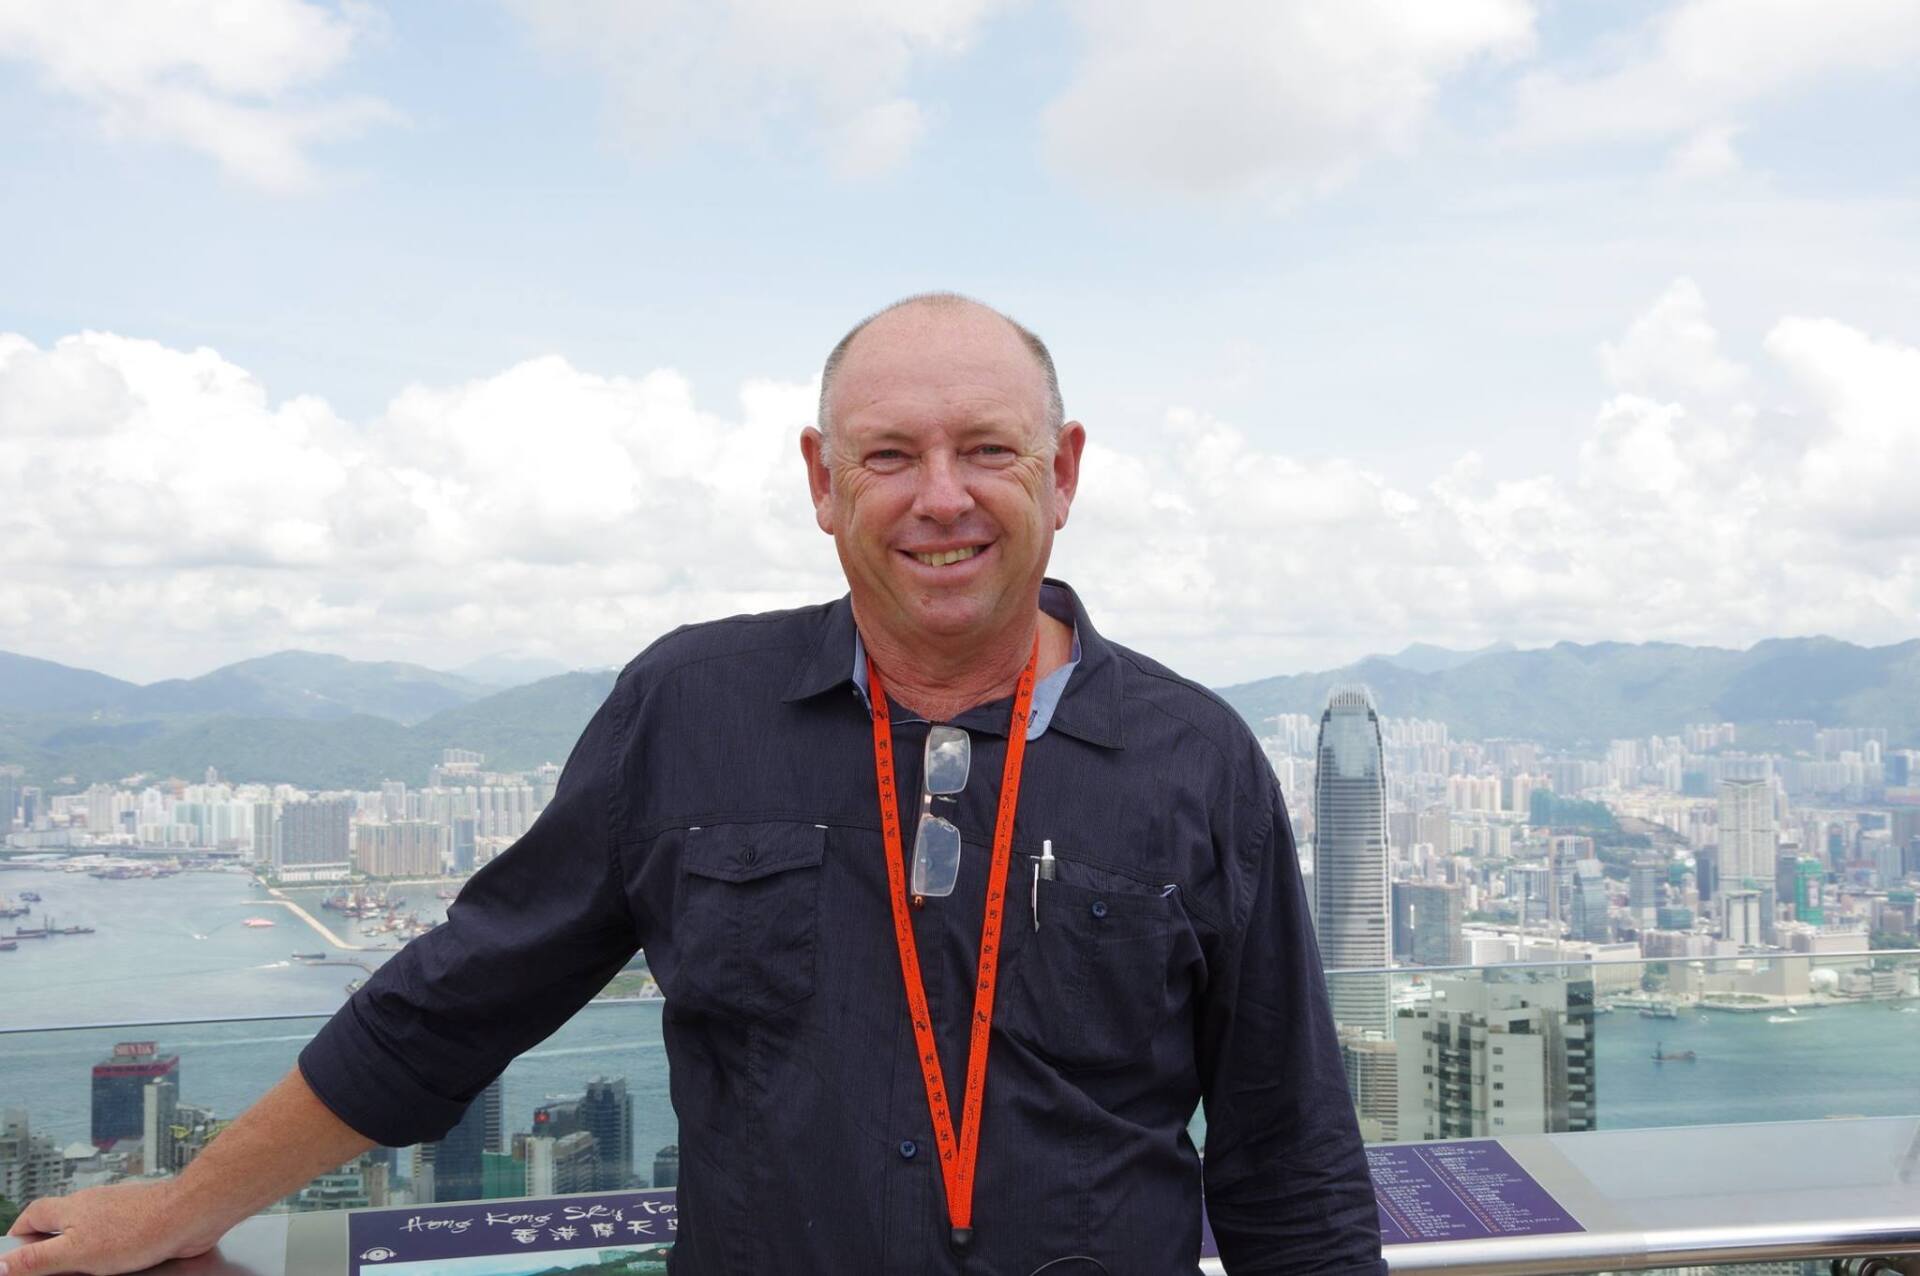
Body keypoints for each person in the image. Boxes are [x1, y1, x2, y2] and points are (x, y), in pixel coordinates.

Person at [5, 295, 1383, 1275]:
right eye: (890, 456)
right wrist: (183, 1207)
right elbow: (452, 1004)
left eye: (988, 450)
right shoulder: (692, 709)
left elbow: (1289, 1162)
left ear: (1063, 475)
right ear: (822, 484)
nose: (941, 497)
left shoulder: (1192, 759)